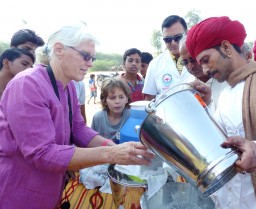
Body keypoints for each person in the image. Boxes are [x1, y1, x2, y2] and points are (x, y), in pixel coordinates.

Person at [0, 25, 154, 209]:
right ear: (59, 50)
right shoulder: (27, 84)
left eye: (92, 58)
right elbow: (42, 153)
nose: (90, 63)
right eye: (86, 56)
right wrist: (111, 154)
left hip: (51, 185)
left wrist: (113, 147)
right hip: (21, 190)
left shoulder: (68, 86)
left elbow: (78, 128)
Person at [186, 16, 256, 209]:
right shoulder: (225, 95)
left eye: (206, 60)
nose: (204, 69)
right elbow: (219, 151)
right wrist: (203, 109)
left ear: (226, 47)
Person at [142, 15, 195, 101]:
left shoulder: (199, 59)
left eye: (178, 38)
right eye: (168, 39)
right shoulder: (155, 64)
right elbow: (149, 98)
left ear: (187, 33)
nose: (173, 43)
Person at [179, 35, 227, 110]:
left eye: (193, 60)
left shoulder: (227, 80)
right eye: (185, 62)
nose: (190, 66)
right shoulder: (186, 88)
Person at [91, 77, 131, 144]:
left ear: (126, 99)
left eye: (121, 97)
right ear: (105, 100)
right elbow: (92, 142)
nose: (117, 101)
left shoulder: (131, 117)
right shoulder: (98, 118)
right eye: (112, 98)